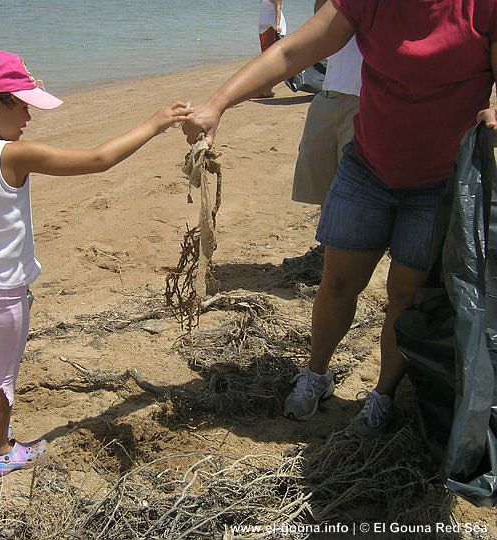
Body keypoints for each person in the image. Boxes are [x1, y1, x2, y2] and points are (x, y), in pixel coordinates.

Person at [184, 1, 497, 437]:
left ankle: (382, 397)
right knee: (337, 283)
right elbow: (293, 52)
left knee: (404, 299)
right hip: (368, 169)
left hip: (439, 187)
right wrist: (218, 104)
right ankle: (316, 375)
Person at [0, 49, 191, 476]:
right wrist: (154, 125)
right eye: (23, 105)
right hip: (3, 291)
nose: (27, 117)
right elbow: (99, 160)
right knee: (2, 379)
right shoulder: (12, 156)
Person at [282, 0, 362, 275]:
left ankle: (344, 259)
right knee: (321, 176)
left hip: (368, 93)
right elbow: (322, 21)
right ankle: (328, 250)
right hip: (332, 88)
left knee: (353, 186)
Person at [257, 0, 286, 97]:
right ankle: (267, 89)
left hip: (271, 28)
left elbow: (278, 7)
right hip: (265, 27)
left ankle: (267, 90)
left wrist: (277, 25)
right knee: (266, 59)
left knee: (268, 60)